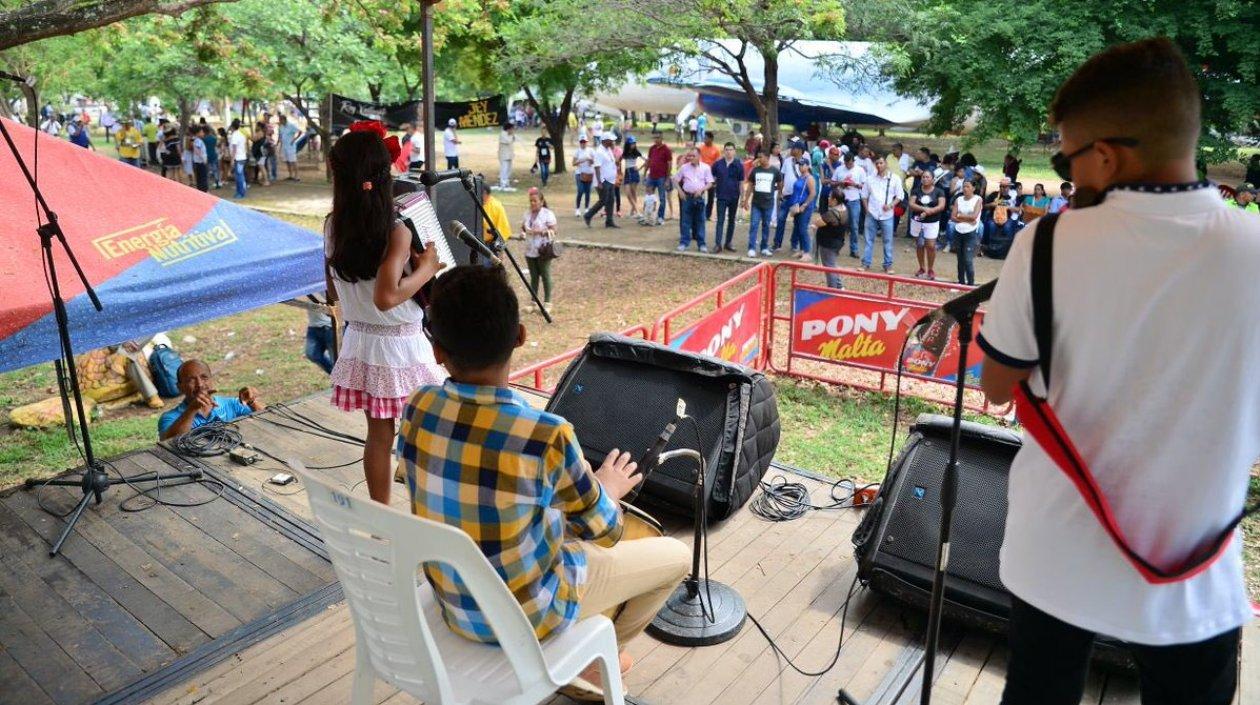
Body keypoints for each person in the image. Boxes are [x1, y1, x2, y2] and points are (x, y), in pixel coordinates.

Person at [978, 38, 1259, 705]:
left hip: (1055, 560)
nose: (1069, 175)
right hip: (1193, 578)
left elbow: (996, 385)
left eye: (1067, 158)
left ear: (1104, 155)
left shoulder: (1043, 246)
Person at [396, 265, 690, 701]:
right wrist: (607, 488)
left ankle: (592, 659)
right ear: (520, 336)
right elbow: (604, 531)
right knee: (675, 558)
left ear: (437, 350)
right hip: (530, 614)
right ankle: (596, 666)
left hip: (455, 608)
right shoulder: (546, 436)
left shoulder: (418, 407)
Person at [325, 126, 446, 505]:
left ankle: (382, 515)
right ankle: (425, 512)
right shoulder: (395, 231)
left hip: (361, 341)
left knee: (379, 437)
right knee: (424, 432)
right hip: (401, 346)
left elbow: (331, 290)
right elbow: (387, 297)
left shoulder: (332, 225)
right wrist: (427, 269)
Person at [158, 360, 263, 440]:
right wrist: (192, 410)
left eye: (204, 377)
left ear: (211, 380)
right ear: (179, 387)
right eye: (191, 380)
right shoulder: (170, 418)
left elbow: (268, 420)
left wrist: (252, 402)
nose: (199, 384)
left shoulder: (231, 404)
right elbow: (170, 443)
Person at [861, 157, 903, 274]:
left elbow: (900, 195)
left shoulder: (894, 178)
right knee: (869, 240)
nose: (879, 165)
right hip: (872, 212)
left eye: (881, 163)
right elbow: (864, 195)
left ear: (886, 164)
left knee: (888, 240)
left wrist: (890, 205)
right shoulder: (870, 179)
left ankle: (888, 264)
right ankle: (866, 263)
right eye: (877, 163)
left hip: (887, 214)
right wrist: (866, 209)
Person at [521, 187, 558, 311]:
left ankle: (547, 302)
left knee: (545, 274)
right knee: (534, 276)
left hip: (543, 250)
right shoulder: (527, 214)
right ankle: (533, 302)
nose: (532, 203)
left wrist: (541, 232)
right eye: (530, 201)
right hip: (530, 249)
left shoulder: (548, 214)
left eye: (535, 201)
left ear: (541, 202)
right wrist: (523, 233)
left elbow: (554, 230)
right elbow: (523, 228)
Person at [742, 148, 781, 257]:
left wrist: (779, 193)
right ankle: (751, 248)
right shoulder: (755, 170)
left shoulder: (775, 171)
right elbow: (750, 185)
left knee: (766, 225)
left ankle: (764, 247)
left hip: (768, 203)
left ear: (767, 158)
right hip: (756, 203)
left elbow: (780, 182)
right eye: (758, 157)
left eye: (761, 157)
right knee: (754, 225)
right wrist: (746, 200)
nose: (759, 159)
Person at [908, 170, 947, 279]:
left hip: (932, 222)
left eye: (927, 177)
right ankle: (921, 267)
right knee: (919, 244)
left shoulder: (939, 191)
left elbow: (941, 206)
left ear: (933, 179)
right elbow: (911, 204)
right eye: (923, 177)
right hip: (917, 220)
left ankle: (930, 269)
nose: (925, 179)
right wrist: (924, 209)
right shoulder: (916, 191)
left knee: (930, 246)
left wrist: (930, 211)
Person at [674, 148, 714, 253]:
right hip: (687, 197)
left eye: (693, 156)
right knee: (686, 221)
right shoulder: (684, 167)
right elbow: (675, 179)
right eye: (689, 156)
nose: (690, 158)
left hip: (699, 198)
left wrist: (701, 190)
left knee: (700, 221)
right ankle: (683, 243)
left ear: (699, 156)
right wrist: (680, 191)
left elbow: (710, 182)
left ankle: (701, 244)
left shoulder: (706, 168)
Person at [710, 142, 744, 252]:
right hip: (721, 196)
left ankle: (728, 243)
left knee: (731, 220)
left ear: (734, 151)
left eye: (731, 149)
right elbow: (712, 178)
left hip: (734, 196)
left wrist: (742, 198)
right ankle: (718, 244)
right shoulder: (717, 164)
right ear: (723, 151)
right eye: (727, 149)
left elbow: (741, 183)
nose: (729, 152)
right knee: (720, 220)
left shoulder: (739, 165)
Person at [812, 190, 848, 288]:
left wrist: (815, 224)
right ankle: (839, 286)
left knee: (829, 267)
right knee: (832, 265)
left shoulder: (831, 214)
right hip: (838, 242)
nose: (828, 199)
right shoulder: (844, 209)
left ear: (835, 200)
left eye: (830, 197)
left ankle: (832, 290)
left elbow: (818, 222)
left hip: (828, 244)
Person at [834, 153, 867, 259]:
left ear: (853, 161)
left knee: (854, 225)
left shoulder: (860, 170)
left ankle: (854, 249)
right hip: (841, 200)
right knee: (839, 224)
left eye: (850, 163)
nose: (848, 165)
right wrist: (840, 183)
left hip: (854, 200)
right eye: (846, 163)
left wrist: (854, 184)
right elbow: (832, 182)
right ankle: (836, 247)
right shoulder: (839, 169)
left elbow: (864, 186)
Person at [950, 179, 982, 285]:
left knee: (968, 260)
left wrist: (960, 216)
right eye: (964, 186)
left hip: (971, 232)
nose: (965, 189)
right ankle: (961, 281)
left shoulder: (978, 199)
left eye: (968, 186)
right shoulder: (958, 199)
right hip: (959, 231)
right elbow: (953, 217)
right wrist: (966, 219)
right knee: (960, 259)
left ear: (973, 188)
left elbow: (974, 216)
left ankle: (971, 283)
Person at [785, 157, 816, 261]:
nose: (800, 166)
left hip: (805, 206)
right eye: (799, 165)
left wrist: (805, 205)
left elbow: (812, 193)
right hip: (797, 205)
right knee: (798, 228)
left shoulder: (809, 178)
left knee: (803, 228)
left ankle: (807, 251)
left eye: (802, 165)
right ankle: (802, 250)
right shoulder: (800, 177)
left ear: (807, 166)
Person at [645, 131, 672, 223]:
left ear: (661, 138)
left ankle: (660, 217)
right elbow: (648, 161)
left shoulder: (666, 149)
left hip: (661, 177)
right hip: (651, 176)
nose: (656, 140)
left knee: (662, 198)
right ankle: (649, 216)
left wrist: (667, 179)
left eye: (658, 138)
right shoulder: (652, 149)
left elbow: (669, 164)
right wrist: (645, 173)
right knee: (649, 197)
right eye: (654, 138)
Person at [304, 299, 335, 374]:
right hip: (313, 326)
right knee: (311, 354)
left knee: (335, 360)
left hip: (330, 327)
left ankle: (338, 382)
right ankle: (336, 378)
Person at [697, 133, 721, 219]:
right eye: (704, 138)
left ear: (711, 139)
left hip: (711, 175)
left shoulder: (716, 150)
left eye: (706, 138)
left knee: (711, 197)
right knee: (700, 194)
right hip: (702, 175)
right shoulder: (701, 148)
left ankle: (707, 215)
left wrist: (716, 177)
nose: (704, 140)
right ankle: (699, 213)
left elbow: (718, 164)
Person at [572, 135, 595, 216]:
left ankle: (586, 208)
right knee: (580, 191)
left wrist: (590, 160)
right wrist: (581, 160)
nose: (583, 143)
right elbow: (573, 163)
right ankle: (577, 209)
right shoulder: (577, 151)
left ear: (587, 142)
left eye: (584, 142)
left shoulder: (591, 150)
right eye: (581, 142)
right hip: (579, 173)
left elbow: (594, 161)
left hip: (589, 173)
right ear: (579, 143)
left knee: (588, 192)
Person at [620, 135, 642, 219]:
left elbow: (647, 160)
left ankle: (634, 212)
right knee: (628, 193)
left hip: (633, 172)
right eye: (631, 143)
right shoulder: (625, 152)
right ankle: (636, 211)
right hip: (627, 173)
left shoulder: (636, 152)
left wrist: (639, 168)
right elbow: (619, 160)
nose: (633, 145)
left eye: (634, 143)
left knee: (633, 193)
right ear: (628, 144)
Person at [229, 119, 248, 199]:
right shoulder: (241, 134)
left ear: (232, 127)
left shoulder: (235, 135)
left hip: (238, 158)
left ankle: (241, 192)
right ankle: (240, 191)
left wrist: (232, 159)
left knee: (239, 176)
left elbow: (234, 149)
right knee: (240, 175)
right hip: (242, 157)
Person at [279, 114, 300, 181]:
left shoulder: (291, 125)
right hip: (284, 146)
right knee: (287, 161)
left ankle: (297, 176)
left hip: (290, 146)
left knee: (293, 161)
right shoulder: (281, 127)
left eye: (281, 120)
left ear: (284, 120)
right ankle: (290, 175)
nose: (280, 121)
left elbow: (299, 131)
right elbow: (281, 136)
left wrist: (294, 139)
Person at [497, 122, 517, 191]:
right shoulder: (503, 134)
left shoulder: (509, 134)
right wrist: (512, 135)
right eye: (512, 129)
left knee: (509, 170)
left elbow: (513, 140)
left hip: (509, 155)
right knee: (504, 170)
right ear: (508, 129)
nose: (513, 130)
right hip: (504, 155)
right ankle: (503, 184)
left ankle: (507, 183)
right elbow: (508, 141)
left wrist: (512, 135)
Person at [202, 124, 221, 189]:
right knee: (215, 169)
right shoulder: (214, 138)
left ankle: (207, 184)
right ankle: (217, 182)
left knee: (207, 171)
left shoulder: (203, 139)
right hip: (213, 154)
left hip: (206, 155)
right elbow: (217, 145)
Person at [191, 126, 209, 192]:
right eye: (201, 132)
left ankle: (201, 190)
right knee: (203, 177)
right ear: (197, 133)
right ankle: (204, 191)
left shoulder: (195, 140)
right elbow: (197, 150)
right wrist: (203, 158)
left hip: (198, 162)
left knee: (200, 178)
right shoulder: (198, 141)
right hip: (200, 162)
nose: (203, 133)